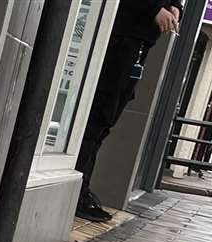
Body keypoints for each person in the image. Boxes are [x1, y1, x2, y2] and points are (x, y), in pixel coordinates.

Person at [76, 1, 183, 223]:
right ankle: (77, 189)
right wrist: (154, 9)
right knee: (100, 114)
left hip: (138, 43)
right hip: (120, 35)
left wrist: (175, 6)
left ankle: (81, 187)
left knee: (106, 118)